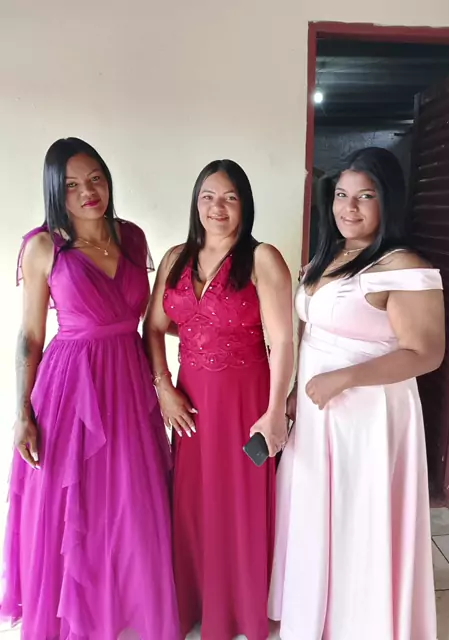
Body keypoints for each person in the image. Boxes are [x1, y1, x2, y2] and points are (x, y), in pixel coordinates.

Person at [0, 138, 180, 640]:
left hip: (129, 378)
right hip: (69, 387)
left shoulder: (134, 238)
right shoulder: (43, 247)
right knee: (73, 502)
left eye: (95, 178)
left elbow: (153, 320)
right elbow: (30, 335)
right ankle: (74, 614)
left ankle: (123, 604)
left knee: (130, 498)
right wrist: (22, 412)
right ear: (55, 192)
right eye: (72, 185)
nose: (87, 192)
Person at [268, 147, 445, 640]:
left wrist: (345, 378)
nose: (349, 208)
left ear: (388, 200)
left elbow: (426, 353)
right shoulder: (329, 255)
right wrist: (292, 393)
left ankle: (359, 621)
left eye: (365, 196)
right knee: (316, 508)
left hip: (369, 414)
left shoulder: (403, 266)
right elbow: (311, 331)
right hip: (316, 407)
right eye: (341, 195)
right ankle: (314, 611)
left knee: (357, 512)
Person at [144, 159, 293, 640]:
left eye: (230, 197)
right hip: (190, 403)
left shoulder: (263, 258)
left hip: (246, 402)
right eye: (208, 196)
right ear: (196, 202)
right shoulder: (175, 258)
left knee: (240, 507)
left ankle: (241, 611)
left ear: (245, 204)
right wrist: (164, 387)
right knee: (194, 504)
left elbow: (283, 341)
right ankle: (196, 601)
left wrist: (275, 411)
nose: (217, 207)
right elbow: (154, 327)